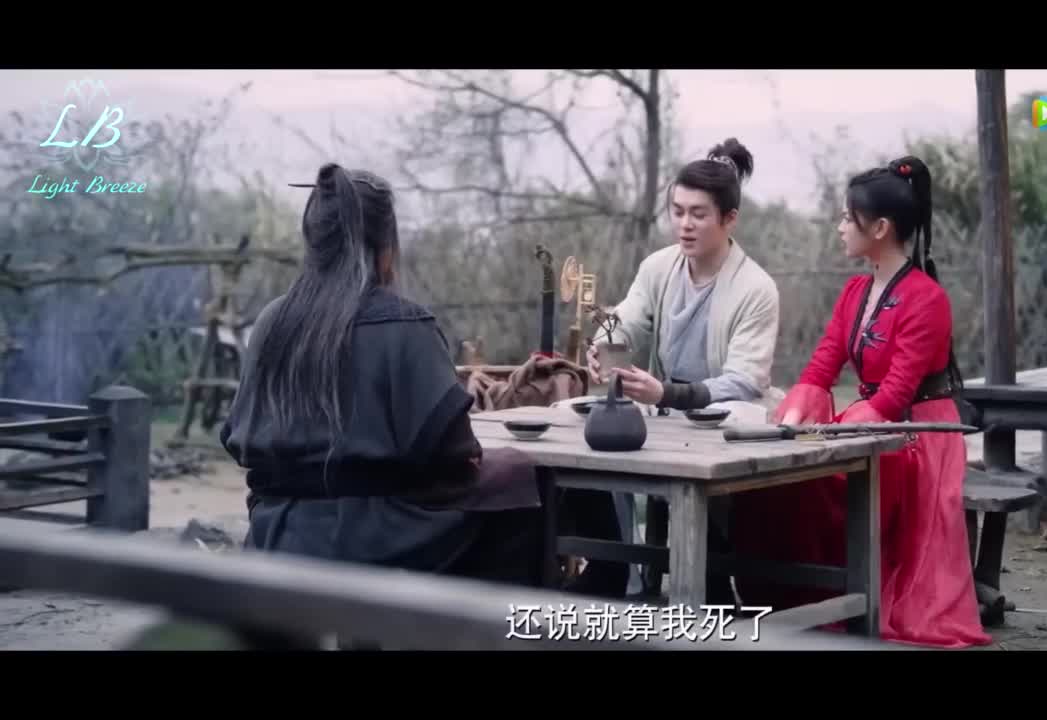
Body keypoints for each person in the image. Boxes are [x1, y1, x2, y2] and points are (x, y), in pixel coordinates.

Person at [220, 162, 547, 589]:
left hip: (280, 532)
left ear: (314, 242)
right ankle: (485, 620)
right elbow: (454, 453)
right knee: (519, 477)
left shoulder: (270, 322)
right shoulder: (406, 323)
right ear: (385, 247)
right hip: (383, 539)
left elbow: (237, 436)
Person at [731, 156, 991, 649]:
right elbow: (822, 366)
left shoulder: (927, 298)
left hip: (917, 435)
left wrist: (830, 436)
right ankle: (787, 596)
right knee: (777, 479)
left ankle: (839, 596)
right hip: (872, 424)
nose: (840, 227)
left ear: (880, 228)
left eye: (848, 218)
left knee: (822, 478)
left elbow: (896, 393)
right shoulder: (855, 291)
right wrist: (788, 429)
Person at [574, 138, 782, 602]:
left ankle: (706, 592)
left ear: (729, 219)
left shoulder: (756, 288)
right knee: (582, 430)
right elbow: (626, 319)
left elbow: (744, 380)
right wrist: (602, 345)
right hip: (663, 411)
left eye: (698, 214)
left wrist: (667, 394)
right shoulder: (659, 267)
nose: (685, 224)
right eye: (678, 211)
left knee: (710, 545)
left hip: (724, 423)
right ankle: (618, 572)